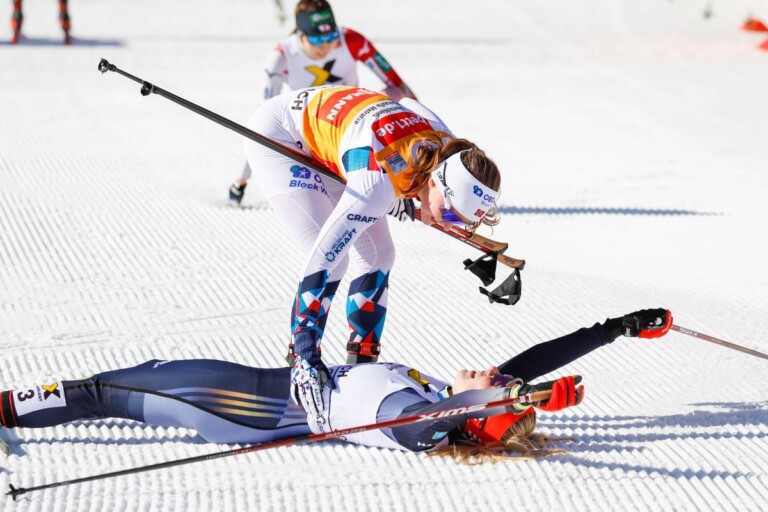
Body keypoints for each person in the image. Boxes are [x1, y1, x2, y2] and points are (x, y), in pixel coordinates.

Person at [0, 309, 672, 455]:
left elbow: (441, 421)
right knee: (121, 380)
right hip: (263, 383)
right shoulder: (447, 401)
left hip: (247, 409)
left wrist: (510, 400)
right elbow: (539, 355)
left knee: (110, 392)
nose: (494, 371)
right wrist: (617, 327)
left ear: (478, 409)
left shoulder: (416, 420)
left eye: (493, 385)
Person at [243, 83, 502, 426]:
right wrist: (307, 351)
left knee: (380, 255)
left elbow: (409, 103)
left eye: (463, 223)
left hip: (343, 140)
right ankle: (299, 362)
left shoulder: (450, 148)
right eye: (451, 214)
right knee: (333, 255)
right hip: (281, 136)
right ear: (436, 182)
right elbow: (323, 259)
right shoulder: (375, 187)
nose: (450, 224)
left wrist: (411, 199)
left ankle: (361, 366)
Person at [229, 0, 416, 206]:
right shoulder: (281, 56)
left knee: (397, 95)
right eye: (318, 40)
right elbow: (262, 122)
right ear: (300, 35)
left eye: (331, 36)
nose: (326, 45)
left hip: (352, 119)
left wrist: (421, 129)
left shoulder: (352, 40)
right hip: (312, 129)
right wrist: (242, 179)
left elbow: (398, 85)